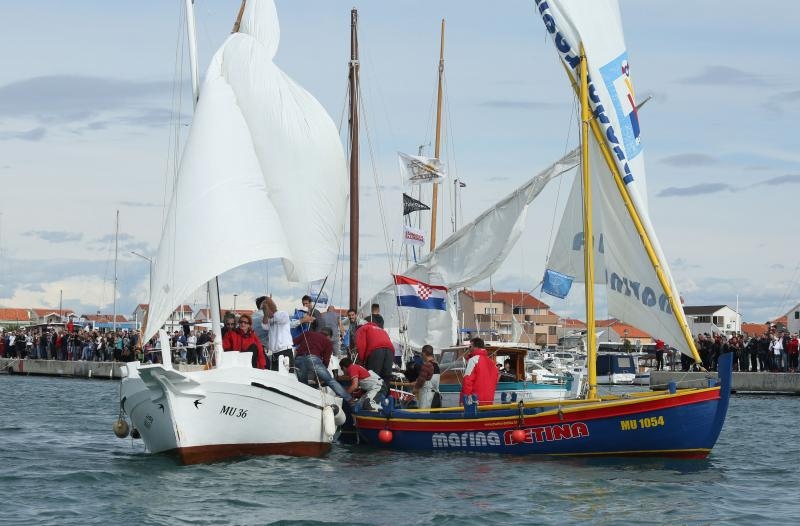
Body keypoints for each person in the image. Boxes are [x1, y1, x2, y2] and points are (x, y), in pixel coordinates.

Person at [293, 327, 351, 402]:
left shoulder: (308, 333)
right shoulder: (328, 342)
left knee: (303, 384)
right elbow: (326, 361)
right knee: (330, 380)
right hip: (313, 359)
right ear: (329, 336)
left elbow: (293, 342)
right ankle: (349, 399)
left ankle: (304, 401)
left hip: (299, 359)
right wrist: (321, 374)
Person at [355, 322, 394, 394]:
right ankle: (386, 397)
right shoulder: (381, 330)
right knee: (386, 377)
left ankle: (371, 398)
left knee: (373, 377)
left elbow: (361, 346)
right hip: (390, 350)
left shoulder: (361, 329)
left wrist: (361, 361)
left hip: (376, 350)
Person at [460, 337, 499, 406]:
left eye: (470, 346)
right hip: (489, 401)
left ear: (476, 347)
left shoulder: (473, 360)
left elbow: (467, 381)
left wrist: (463, 400)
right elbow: (495, 381)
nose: (469, 348)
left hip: (474, 402)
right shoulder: (492, 363)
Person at [261, 296, 295, 371]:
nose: (265, 311)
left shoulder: (283, 314)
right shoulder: (269, 319)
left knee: (287, 375)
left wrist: (270, 304)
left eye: (266, 309)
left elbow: (280, 319)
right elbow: (264, 326)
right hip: (274, 353)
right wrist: (265, 314)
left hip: (285, 351)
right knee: (275, 376)